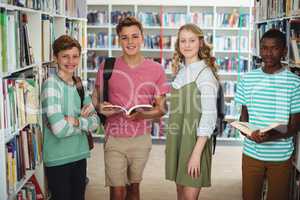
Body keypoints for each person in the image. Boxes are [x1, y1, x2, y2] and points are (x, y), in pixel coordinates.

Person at [92, 16, 169, 200]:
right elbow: (96, 97)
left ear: (142, 38)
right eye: (124, 37)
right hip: (114, 137)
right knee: (117, 192)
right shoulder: (107, 66)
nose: (130, 42)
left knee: (134, 190)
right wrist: (100, 107)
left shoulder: (156, 69)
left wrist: (141, 115)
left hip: (140, 139)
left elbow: (162, 109)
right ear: (119, 40)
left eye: (135, 36)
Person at [235, 29, 300, 200]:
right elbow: (244, 119)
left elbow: (294, 126)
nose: (268, 53)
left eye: (274, 48)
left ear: (284, 51)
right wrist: (248, 133)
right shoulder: (246, 79)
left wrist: (267, 137)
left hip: (280, 156)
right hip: (251, 153)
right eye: (264, 48)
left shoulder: (294, 83)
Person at [42, 35, 100, 200]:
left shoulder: (79, 84)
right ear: (55, 58)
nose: (71, 61)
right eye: (65, 56)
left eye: (75, 56)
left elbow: (96, 123)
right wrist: (84, 125)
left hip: (80, 154)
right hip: (58, 158)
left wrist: (75, 121)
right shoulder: (51, 85)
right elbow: (59, 130)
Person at [165, 24, 218, 200]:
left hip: (194, 142)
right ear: (178, 44)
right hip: (178, 139)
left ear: (200, 43)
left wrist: (196, 154)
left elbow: (209, 117)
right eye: (183, 41)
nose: (187, 45)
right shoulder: (181, 72)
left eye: (192, 40)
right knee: (180, 194)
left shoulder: (205, 74)